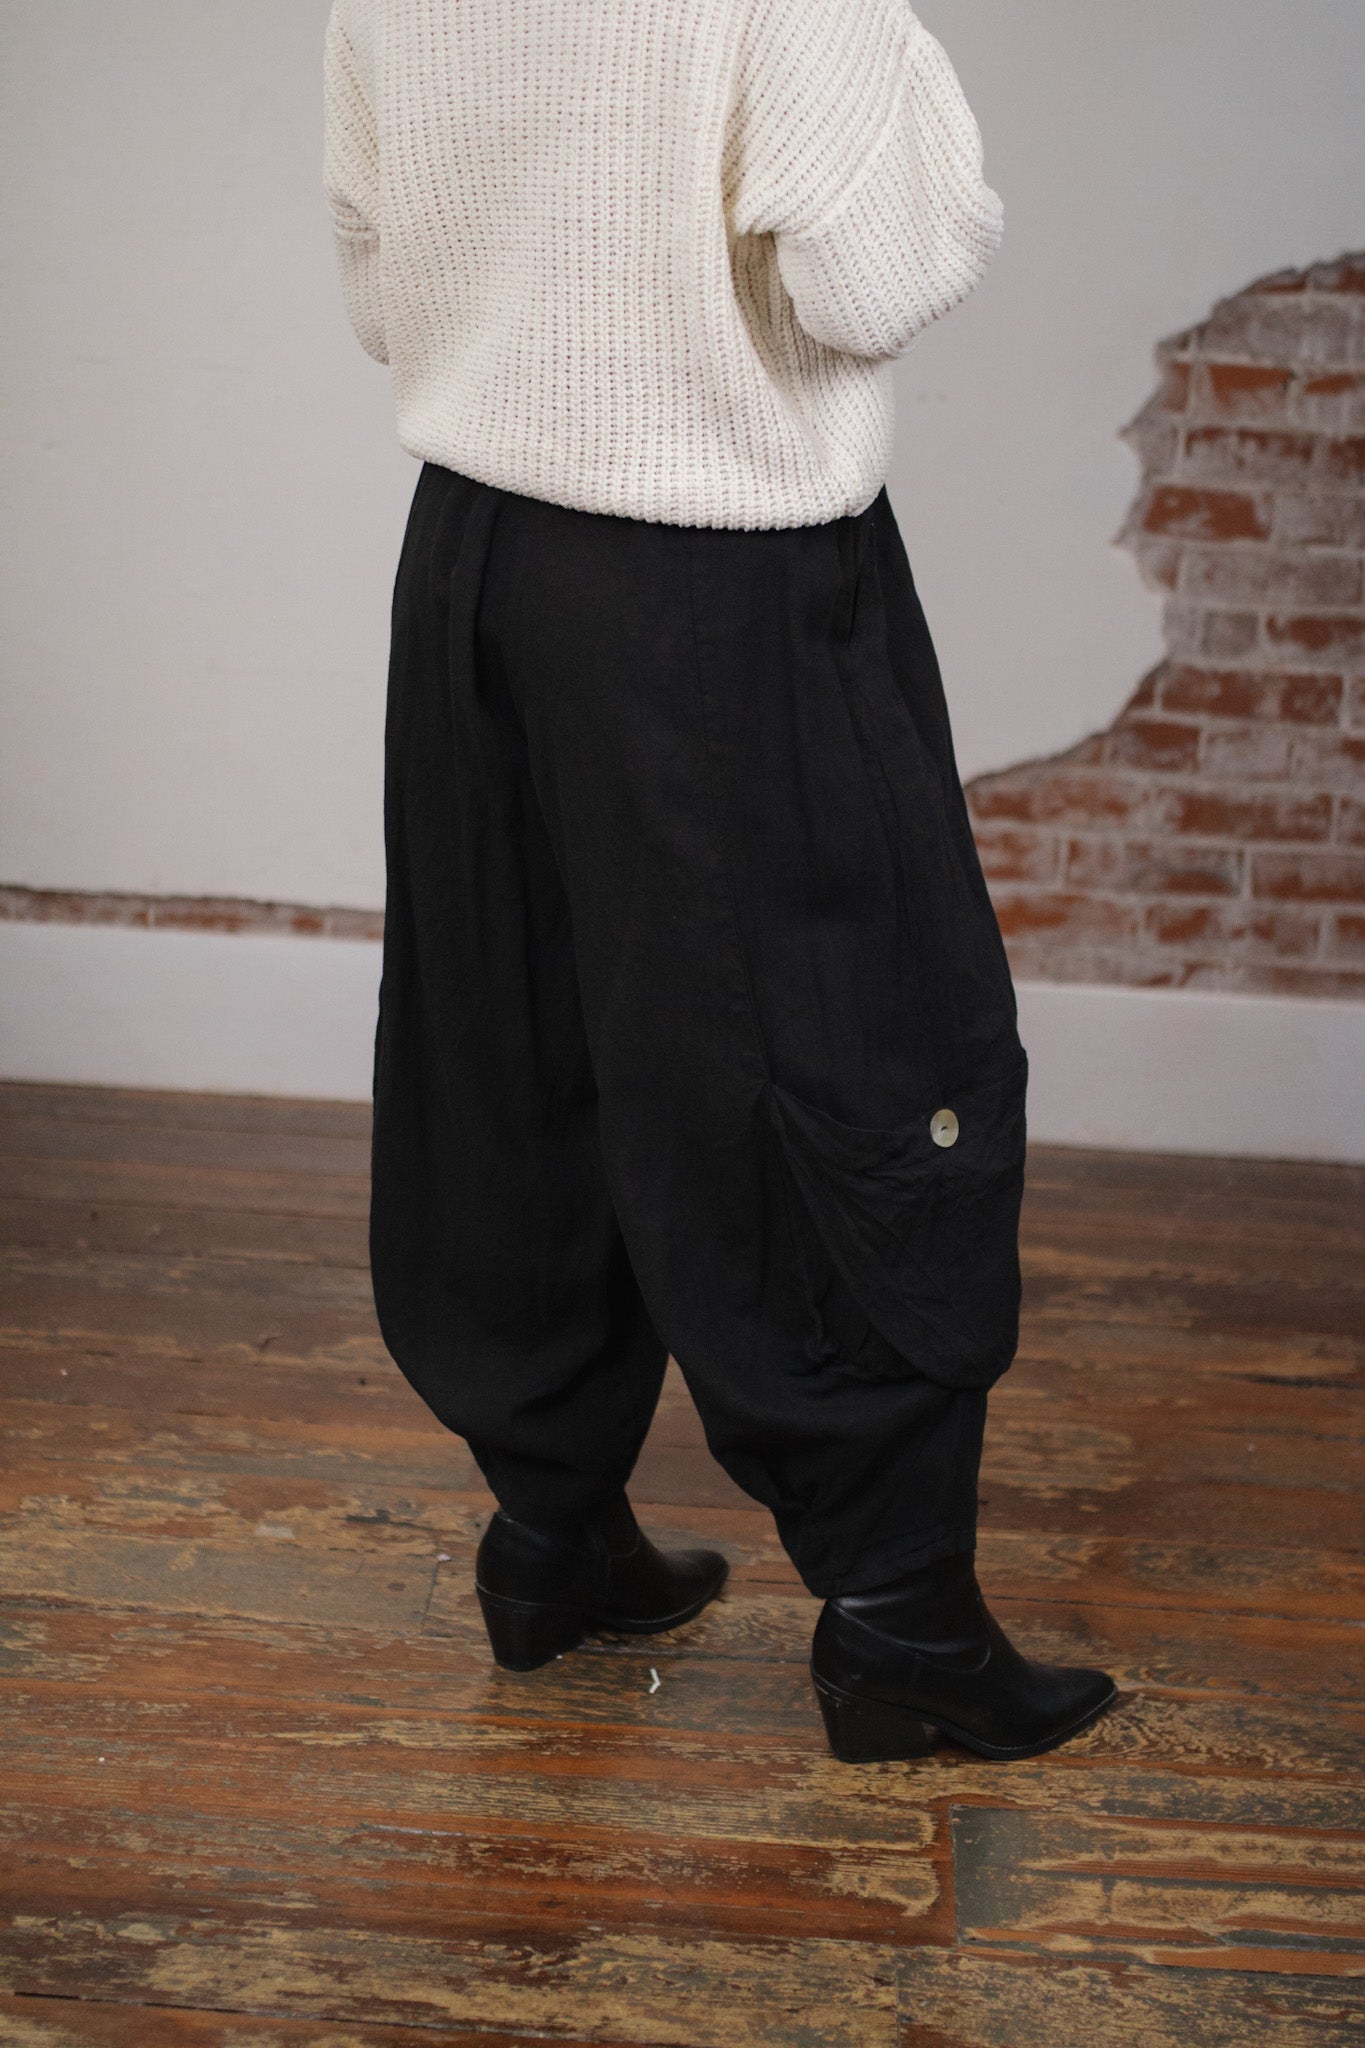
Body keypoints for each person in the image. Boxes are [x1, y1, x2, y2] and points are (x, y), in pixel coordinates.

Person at [323, 0, 1117, 1764]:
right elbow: (871, 273)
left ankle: (551, 1537)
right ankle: (901, 1620)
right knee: (850, 1042)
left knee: (514, 1042)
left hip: (474, 556)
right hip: (718, 557)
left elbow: (384, 281)